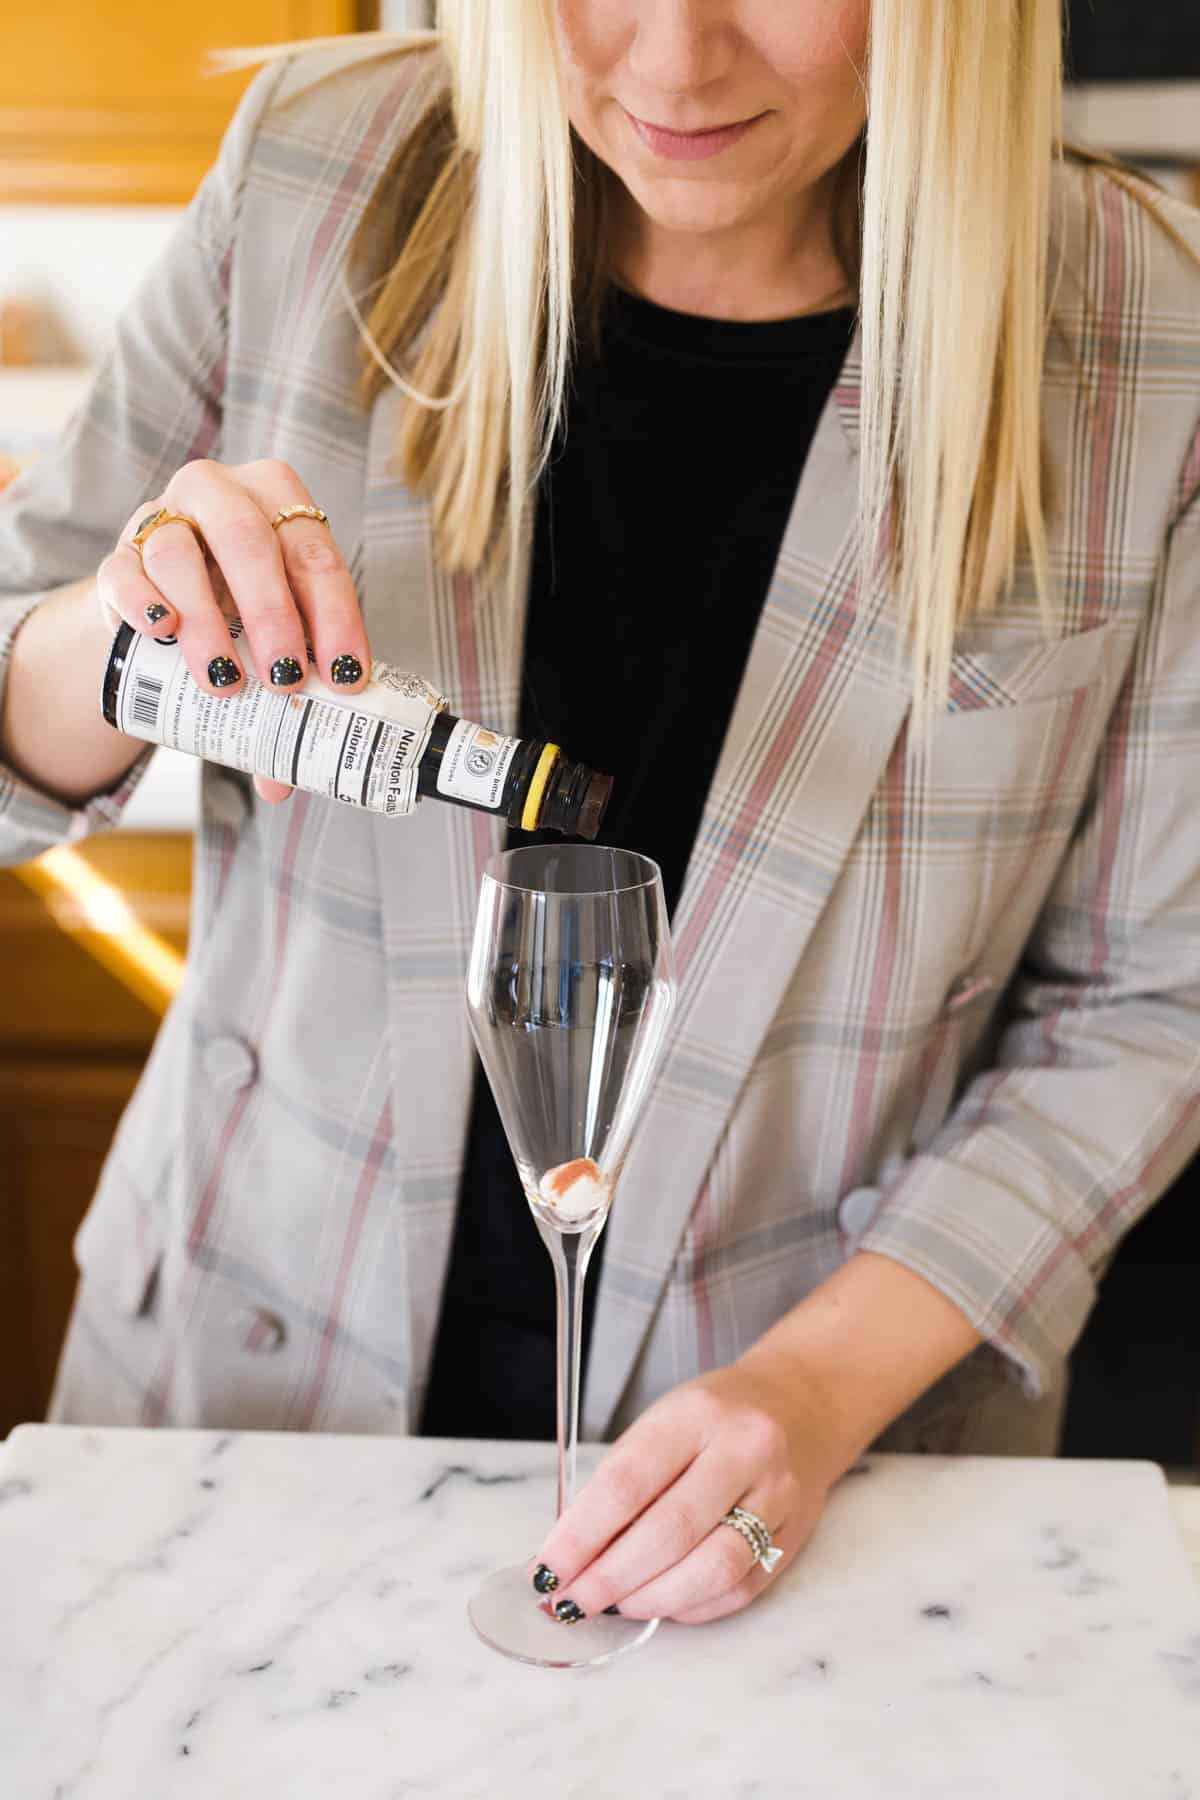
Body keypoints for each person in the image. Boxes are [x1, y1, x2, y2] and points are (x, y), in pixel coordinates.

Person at [1, 2, 1198, 1632]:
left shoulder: (1156, 338)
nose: (669, 65)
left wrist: (816, 1392)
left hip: (792, 1507)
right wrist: (120, 636)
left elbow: (1151, 1004)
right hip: (237, 1418)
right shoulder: (310, 163)